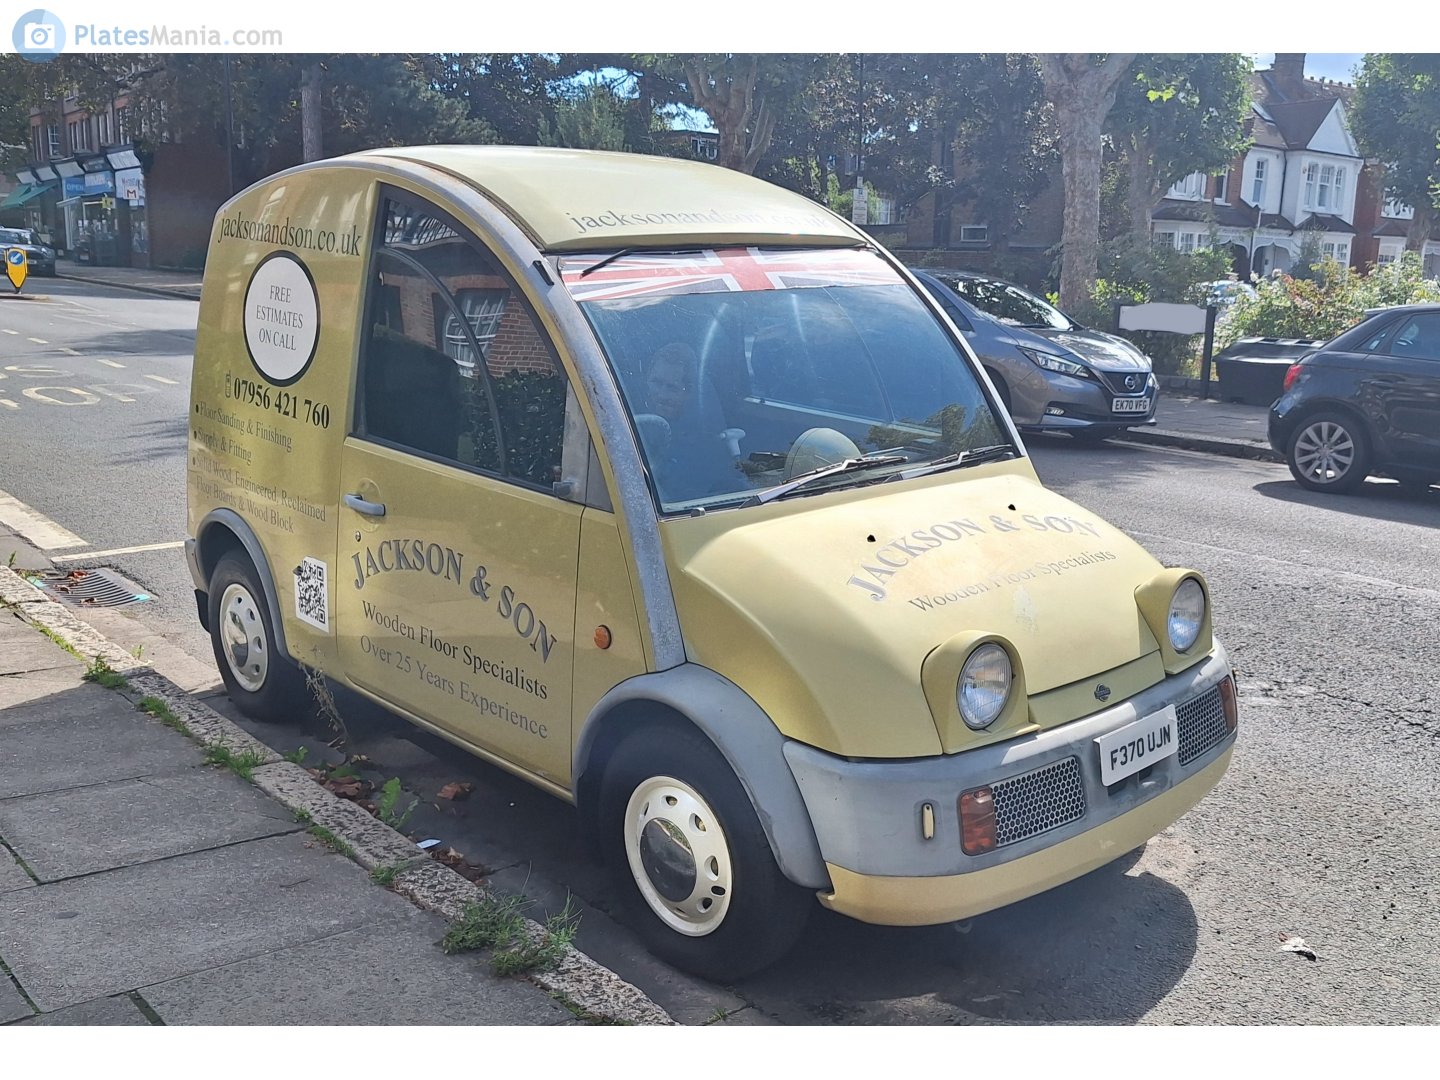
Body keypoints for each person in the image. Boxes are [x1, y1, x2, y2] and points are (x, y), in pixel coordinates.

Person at [635, 343, 739, 501]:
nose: (661, 395)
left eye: (672, 388)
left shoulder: (702, 443)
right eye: (656, 383)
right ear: (647, 379)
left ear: (689, 391)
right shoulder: (624, 417)